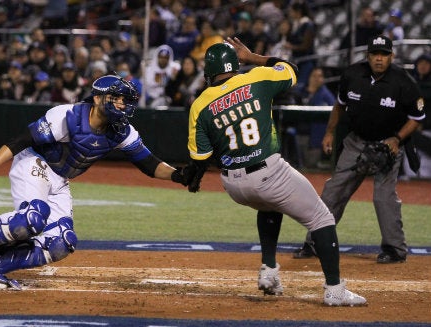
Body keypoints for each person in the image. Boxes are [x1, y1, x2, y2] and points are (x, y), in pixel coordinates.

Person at [0, 75, 194, 290]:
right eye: (115, 98)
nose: (121, 104)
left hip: (60, 178)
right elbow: (22, 139)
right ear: (97, 98)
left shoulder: (122, 131)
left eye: (124, 100)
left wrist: (179, 175)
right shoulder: (69, 115)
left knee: (61, 242)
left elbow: (148, 163)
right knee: (31, 219)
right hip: (34, 162)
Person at [182, 37, 366, 306]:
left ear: (207, 72)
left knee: (269, 206)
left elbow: (200, 158)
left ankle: (269, 271)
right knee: (322, 218)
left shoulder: (199, 104)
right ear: (235, 64)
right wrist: (254, 57)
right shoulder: (256, 78)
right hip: (267, 172)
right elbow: (291, 69)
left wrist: (194, 179)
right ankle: (335, 289)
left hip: (233, 185)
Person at [292, 35, 426, 263]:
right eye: (375, 54)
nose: (379, 59)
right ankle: (315, 242)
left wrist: (396, 139)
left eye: (384, 55)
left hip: (387, 144)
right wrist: (330, 132)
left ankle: (395, 249)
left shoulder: (403, 82)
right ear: (368, 56)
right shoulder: (353, 75)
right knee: (334, 191)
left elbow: (417, 118)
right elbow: (339, 106)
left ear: (391, 56)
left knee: (383, 198)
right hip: (356, 141)